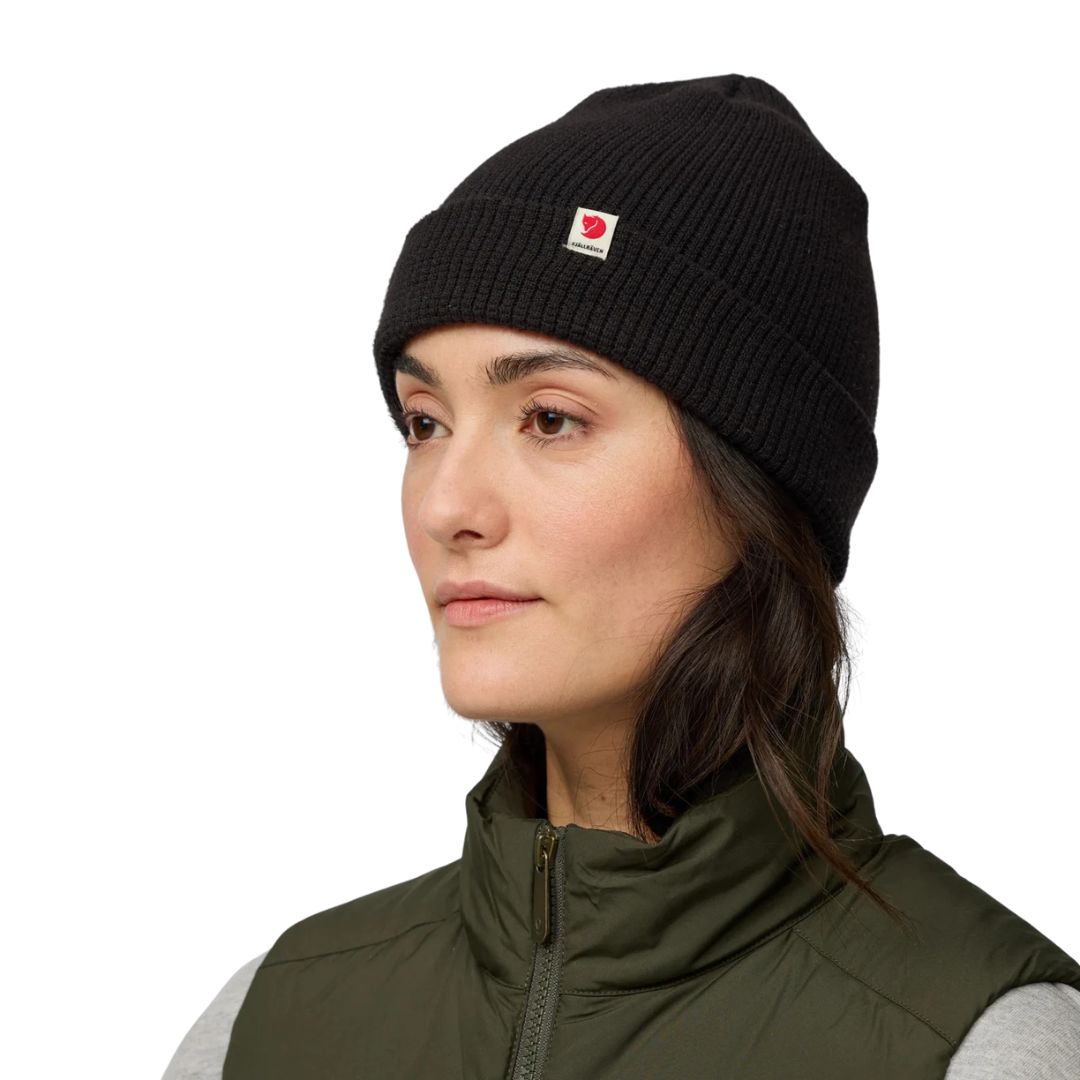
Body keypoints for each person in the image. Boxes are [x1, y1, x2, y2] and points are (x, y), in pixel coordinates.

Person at [162, 73, 1080, 1079]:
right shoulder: (271, 1024)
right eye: (425, 423)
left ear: (756, 485)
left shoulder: (974, 1044)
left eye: (550, 419)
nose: (444, 505)